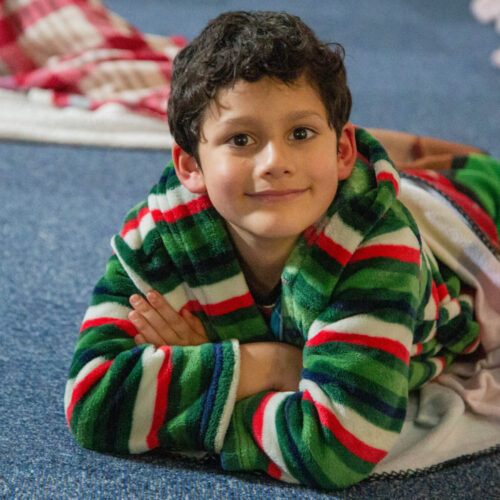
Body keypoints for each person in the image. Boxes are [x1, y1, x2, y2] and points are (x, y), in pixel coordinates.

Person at [64, 11, 500, 489]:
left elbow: (335, 448)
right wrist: (274, 363)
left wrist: (209, 370)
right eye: (241, 139)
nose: (275, 162)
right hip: (327, 189)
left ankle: (430, 160)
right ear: (190, 167)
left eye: (300, 133)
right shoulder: (158, 234)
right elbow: (93, 402)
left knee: (481, 180)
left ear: (342, 152)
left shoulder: (379, 244)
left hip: (453, 222)